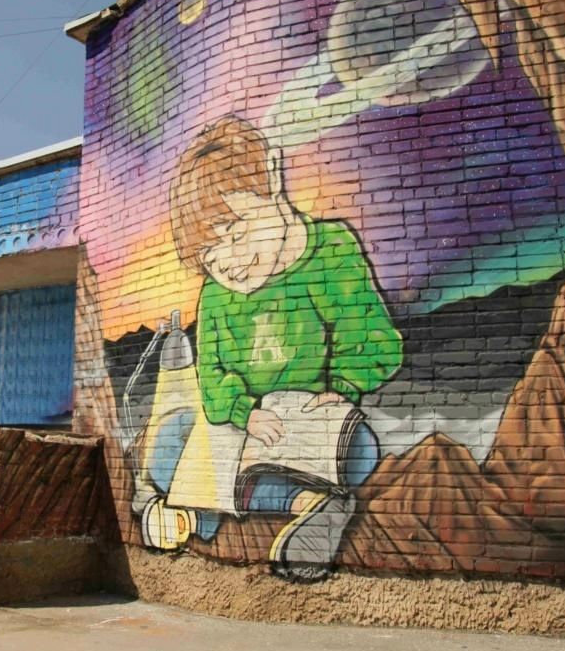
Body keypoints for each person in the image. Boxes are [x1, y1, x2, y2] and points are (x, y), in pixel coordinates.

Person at [137, 114, 403, 581]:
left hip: (307, 425)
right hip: (242, 430)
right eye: (209, 256)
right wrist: (244, 414)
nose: (229, 263)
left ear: (274, 177)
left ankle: (196, 511)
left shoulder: (332, 251)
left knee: (361, 449)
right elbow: (212, 380)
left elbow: (376, 342)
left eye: (237, 233)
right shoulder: (215, 295)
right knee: (169, 440)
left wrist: (342, 389)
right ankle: (308, 505)